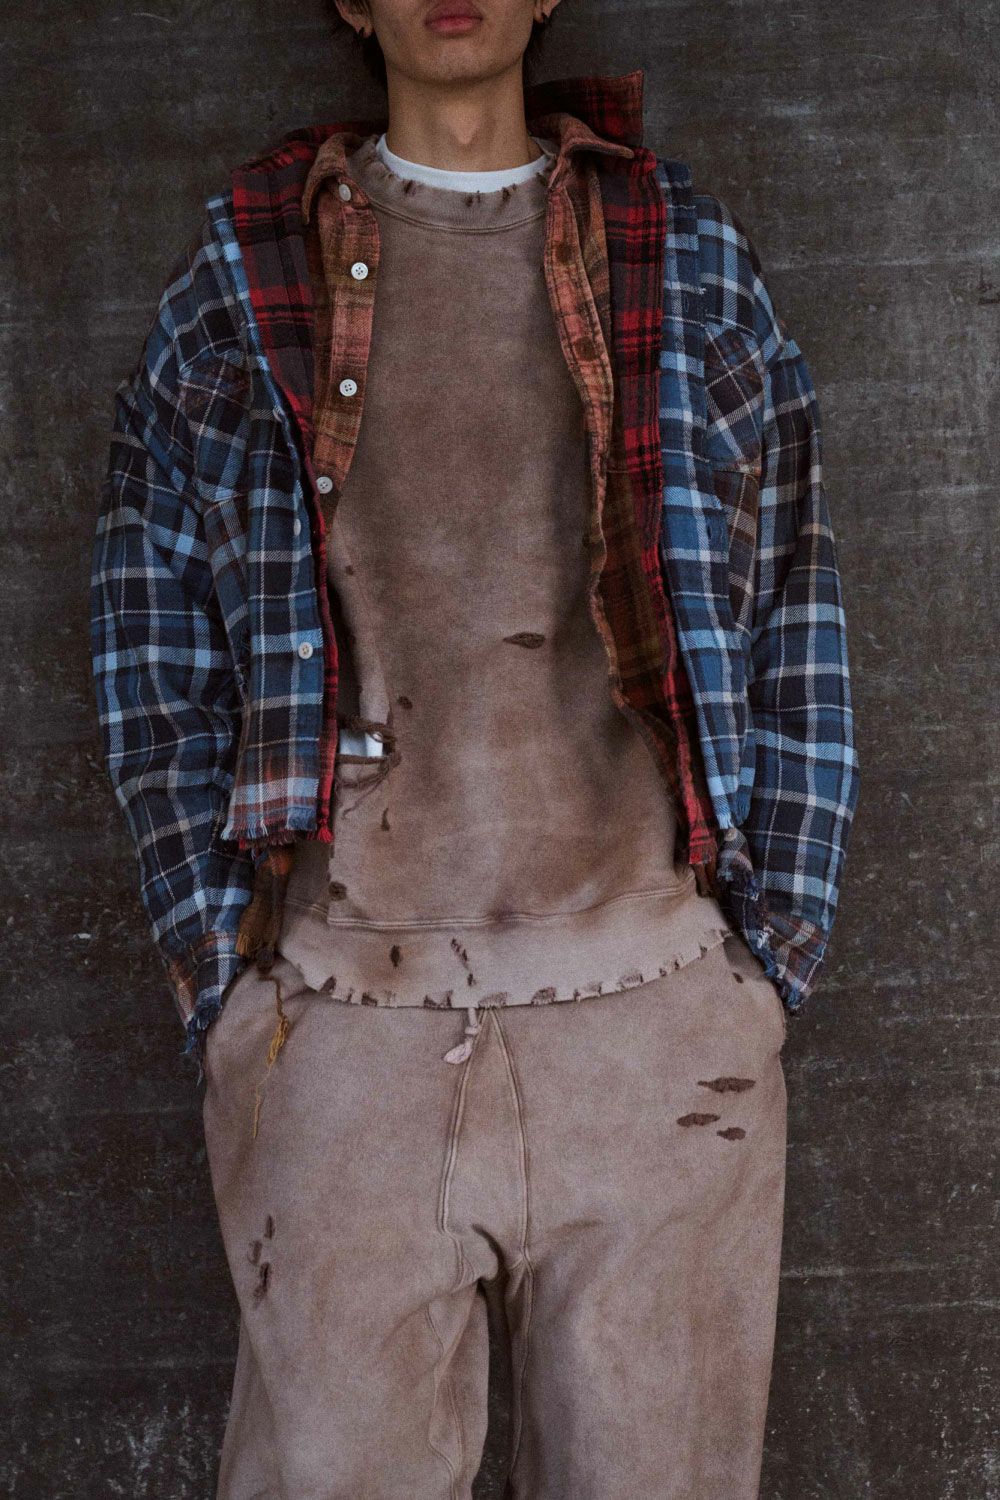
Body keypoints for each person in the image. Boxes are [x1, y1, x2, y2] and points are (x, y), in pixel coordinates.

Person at [89, 1, 860, 1495]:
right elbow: (148, 629)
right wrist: (229, 984)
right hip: (343, 1023)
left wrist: (761, 964)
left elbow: (796, 598)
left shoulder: (686, 258)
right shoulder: (243, 274)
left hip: (652, 1023)